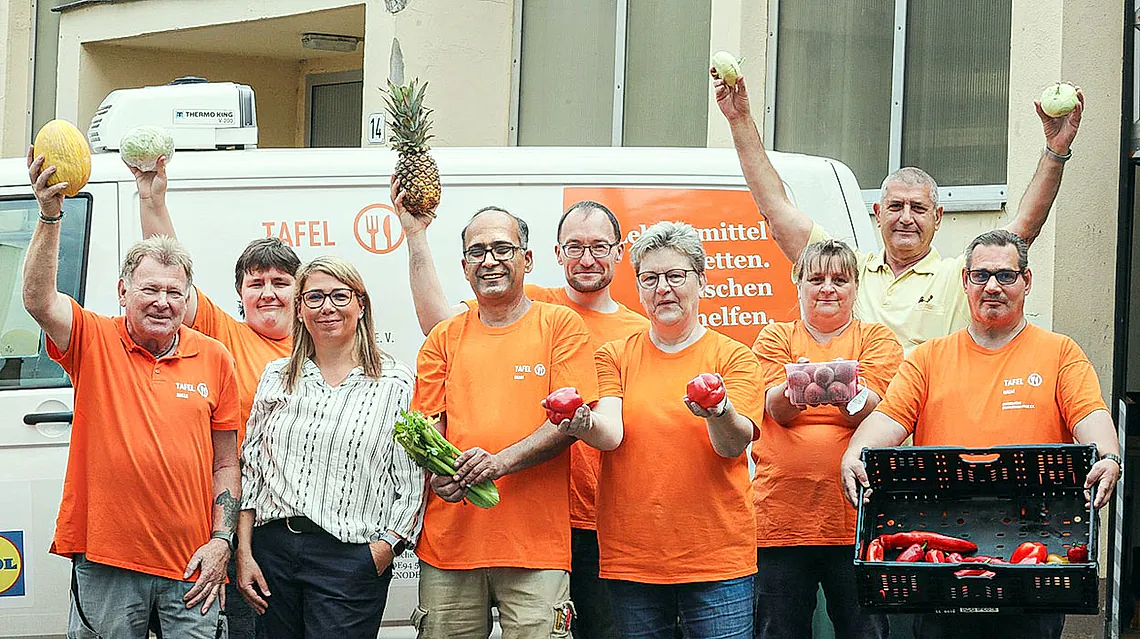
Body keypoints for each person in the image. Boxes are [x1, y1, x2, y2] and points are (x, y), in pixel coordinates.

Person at [839, 229, 1123, 639]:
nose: (992, 286)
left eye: (1006, 276)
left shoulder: (1059, 352)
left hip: (1035, 548)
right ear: (965, 282)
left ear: (1027, 281)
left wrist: (1109, 457)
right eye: (981, 275)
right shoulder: (928, 358)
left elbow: (1090, 414)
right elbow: (888, 420)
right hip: (942, 557)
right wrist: (854, 453)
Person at [394, 183, 647, 638]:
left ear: (527, 260)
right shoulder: (444, 338)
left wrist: (499, 463)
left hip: (536, 547)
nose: (490, 260)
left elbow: (569, 423)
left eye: (502, 248)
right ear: (465, 266)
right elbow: (428, 425)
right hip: (451, 543)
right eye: (478, 251)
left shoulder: (560, 325)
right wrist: (438, 473)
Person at [24, 148, 241, 638]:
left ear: (188, 298)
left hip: (192, 566)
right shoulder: (93, 338)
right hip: (108, 562)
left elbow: (226, 461)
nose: (162, 303)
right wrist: (50, 215)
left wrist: (222, 540)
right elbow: (38, 299)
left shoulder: (214, 357)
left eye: (174, 292)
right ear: (123, 291)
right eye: (149, 290)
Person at [712, 70, 1084, 354]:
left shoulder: (959, 276)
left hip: (921, 441)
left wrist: (1055, 151)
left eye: (918, 208)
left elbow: (1023, 230)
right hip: (855, 435)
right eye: (895, 206)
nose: (906, 217)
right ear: (877, 213)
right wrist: (739, 118)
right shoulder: (845, 270)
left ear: (937, 217)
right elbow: (776, 211)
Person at [134, 156, 300, 638]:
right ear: (240, 295)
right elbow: (171, 275)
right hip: (237, 522)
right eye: (256, 284)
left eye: (280, 283)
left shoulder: (323, 348)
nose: (267, 293)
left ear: (299, 289)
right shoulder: (224, 334)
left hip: (297, 525)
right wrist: (152, 199)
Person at [575, 221, 761, 638]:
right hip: (634, 560)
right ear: (639, 288)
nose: (663, 288)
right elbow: (612, 433)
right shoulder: (615, 355)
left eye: (676, 276)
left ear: (701, 281)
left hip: (718, 560)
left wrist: (718, 410)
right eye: (650, 278)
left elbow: (733, 446)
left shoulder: (734, 357)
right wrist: (582, 425)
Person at [235, 256, 423, 638]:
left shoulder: (395, 381)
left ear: (361, 304)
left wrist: (384, 549)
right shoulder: (275, 376)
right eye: (315, 297)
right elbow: (252, 469)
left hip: (350, 557)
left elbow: (411, 480)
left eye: (340, 295)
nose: (327, 307)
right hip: (274, 553)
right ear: (300, 309)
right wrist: (245, 552)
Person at [750, 239, 902, 639]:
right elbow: (776, 410)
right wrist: (837, 384)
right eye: (816, 278)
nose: (828, 288)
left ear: (855, 286)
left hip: (857, 521)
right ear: (798, 283)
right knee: (777, 633)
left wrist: (807, 381)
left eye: (839, 279)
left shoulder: (878, 340)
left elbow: (879, 413)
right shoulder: (773, 337)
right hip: (780, 522)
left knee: (866, 633)